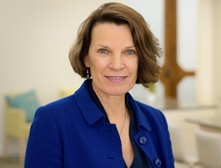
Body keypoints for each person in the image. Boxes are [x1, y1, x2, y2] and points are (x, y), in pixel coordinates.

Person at [24, 2, 174, 168]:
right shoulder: (52, 121)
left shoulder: (155, 120)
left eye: (129, 52)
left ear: (141, 59)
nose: (117, 65)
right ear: (85, 57)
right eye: (104, 51)